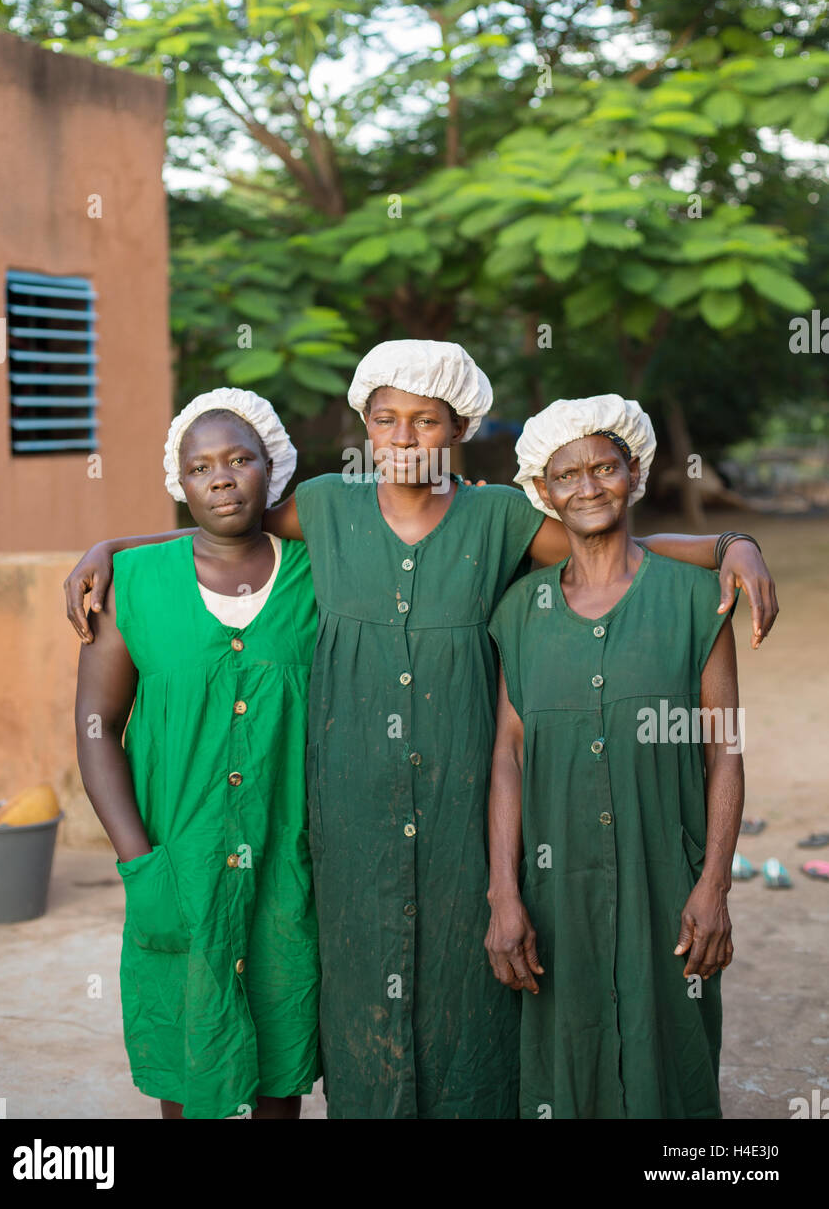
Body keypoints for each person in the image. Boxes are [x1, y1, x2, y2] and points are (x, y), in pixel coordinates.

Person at [65, 343, 777, 1120]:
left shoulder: (499, 517)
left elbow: (607, 551)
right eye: (387, 421)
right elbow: (223, 518)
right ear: (365, 425)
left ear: (460, 427)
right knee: (353, 998)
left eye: (427, 422)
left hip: (462, 816)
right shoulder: (328, 505)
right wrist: (109, 548)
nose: (405, 440)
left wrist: (728, 546)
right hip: (349, 826)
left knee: (472, 999)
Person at [485, 396, 743, 1119]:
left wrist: (715, 884)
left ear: (634, 473)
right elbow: (508, 754)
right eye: (567, 475)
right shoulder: (519, 611)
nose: (588, 486)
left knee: (676, 1058)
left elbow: (726, 750)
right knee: (565, 1062)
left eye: (605, 467)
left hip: (669, 879)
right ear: (543, 491)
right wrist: (505, 894)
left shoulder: (697, 600)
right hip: (552, 887)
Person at [75, 389, 320, 1120]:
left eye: (240, 459)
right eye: (200, 467)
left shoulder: (318, 576)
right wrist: (137, 859)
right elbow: (96, 724)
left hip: (288, 864)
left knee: (282, 1054)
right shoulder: (135, 587)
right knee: (187, 1062)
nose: (220, 478)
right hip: (176, 862)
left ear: (271, 468)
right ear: (179, 483)